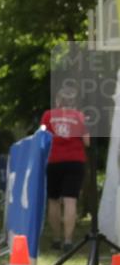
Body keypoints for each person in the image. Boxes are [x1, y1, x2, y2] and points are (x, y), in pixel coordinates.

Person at [41, 87, 90, 251]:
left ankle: (56, 238)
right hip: (75, 161)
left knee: (53, 200)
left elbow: (41, 137)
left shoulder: (48, 115)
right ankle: (68, 241)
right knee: (70, 200)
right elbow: (87, 142)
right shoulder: (79, 116)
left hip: (54, 161)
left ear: (57, 101)